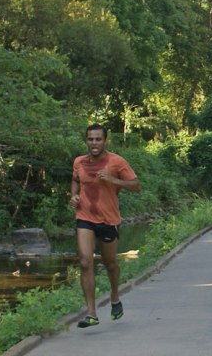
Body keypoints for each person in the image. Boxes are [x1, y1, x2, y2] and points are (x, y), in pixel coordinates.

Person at [69, 124, 141, 328]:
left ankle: (115, 296)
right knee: (85, 261)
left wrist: (113, 179)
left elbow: (136, 185)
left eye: (98, 139)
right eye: (90, 139)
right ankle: (91, 313)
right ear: (86, 141)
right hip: (85, 217)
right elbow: (75, 181)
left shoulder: (116, 162)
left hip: (109, 220)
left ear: (105, 141)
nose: (94, 143)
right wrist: (73, 196)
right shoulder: (79, 162)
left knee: (110, 264)